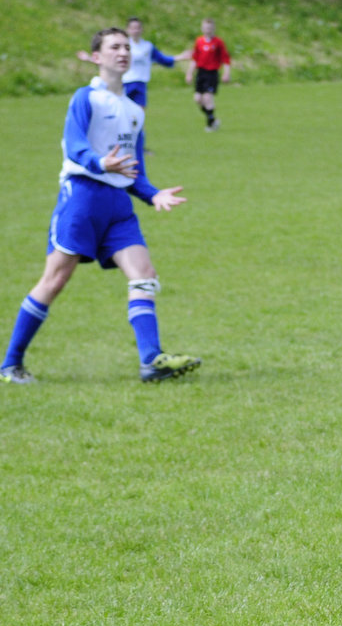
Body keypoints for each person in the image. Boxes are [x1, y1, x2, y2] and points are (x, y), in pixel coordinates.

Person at [1, 27, 201, 385]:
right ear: (97, 57)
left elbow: (134, 168)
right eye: (114, 47)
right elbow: (75, 145)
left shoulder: (134, 110)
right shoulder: (86, 97)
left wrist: (153, 194)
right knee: (55, 279)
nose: (122, 52)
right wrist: (99, 163)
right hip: (82, 197)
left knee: (144, 274)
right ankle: (10, 364)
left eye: (126, 46)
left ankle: (151, 360)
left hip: (118, 205)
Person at [76, 18, 191, 110]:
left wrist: (180, 57)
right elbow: (107, 62)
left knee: (137, 116)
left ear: (142, 30)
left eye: (138, 28)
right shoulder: (122, 44)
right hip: (124, 83)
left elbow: (163, 59)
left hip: (140, 84)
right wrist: (89, 58)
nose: (124, 52)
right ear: (128, 30)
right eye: (132, 28)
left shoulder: (147, 46)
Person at [185, 18, 231, 132]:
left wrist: (226, 73)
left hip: (212, 73)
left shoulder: (218, 42)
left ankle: (210, 125)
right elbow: (195, 59)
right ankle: (213, 119)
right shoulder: (199, 41)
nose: (208, 30)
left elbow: (225, 59)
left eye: (210, 28)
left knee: (207, 97)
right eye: (206, 28)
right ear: (202, 28)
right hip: (201, 73)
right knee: (198, 99)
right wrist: (189, 73)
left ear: (213, 29)